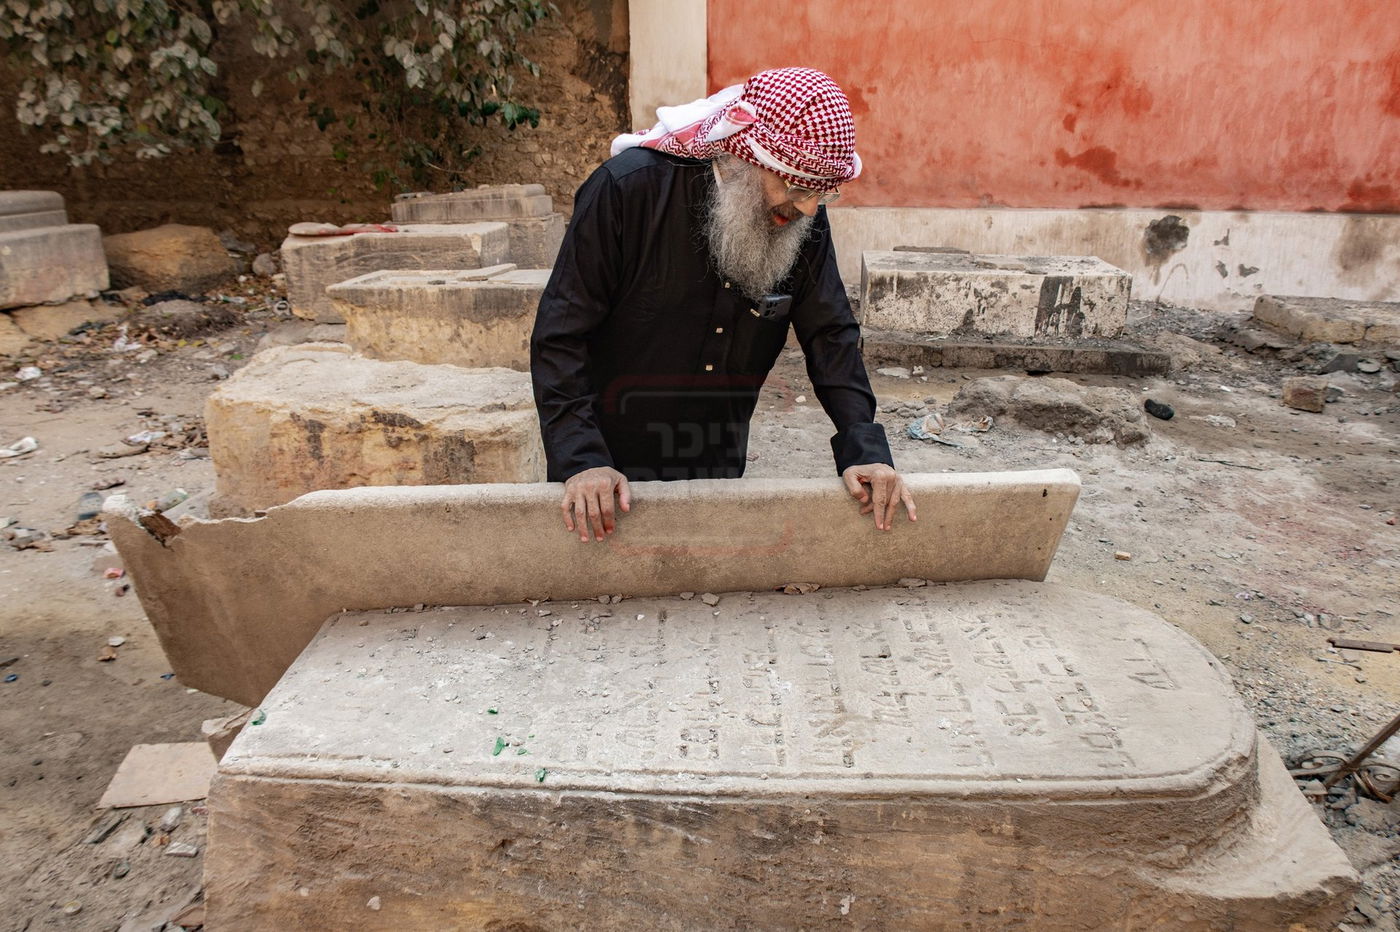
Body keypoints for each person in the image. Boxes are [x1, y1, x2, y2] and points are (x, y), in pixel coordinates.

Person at [531, 67, 916, 542]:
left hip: (717, 463)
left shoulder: (798, 217)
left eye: (822, 191)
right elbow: (561, 335)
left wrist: (865, 447)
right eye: (797, 187)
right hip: (608, 475)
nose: (809, 209)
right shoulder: (626, 191)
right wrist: (582, 459)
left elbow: (829, 331)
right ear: (743, 158)